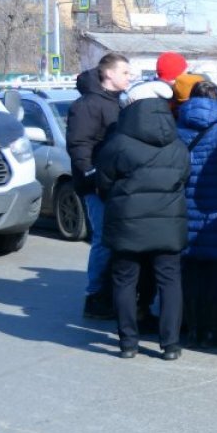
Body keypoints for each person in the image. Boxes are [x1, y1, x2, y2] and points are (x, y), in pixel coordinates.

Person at [95, 80, 190, 360]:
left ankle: (128, 343)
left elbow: (104, 181)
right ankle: (170, 344)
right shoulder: (176, 143)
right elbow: (183, 177)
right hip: (168, 224)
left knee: (125, 280)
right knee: (170, 281)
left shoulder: (118, 142)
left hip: (127, 223)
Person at [66, 52, 133, 320]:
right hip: (96, 186)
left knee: (115, 240)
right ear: (109, 74)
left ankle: (111, 294)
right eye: (125, 72)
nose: (131, 77)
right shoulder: (88, 105)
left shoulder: (117, 103)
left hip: (115, 184)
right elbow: (79, 146)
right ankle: (95, 296)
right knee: (103, 240)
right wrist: (94, 177)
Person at [176, 79, 217, 348]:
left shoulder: (175, 131)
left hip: (183, 213)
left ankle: (192, 329)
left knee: (189, 274)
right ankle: (214, 330)